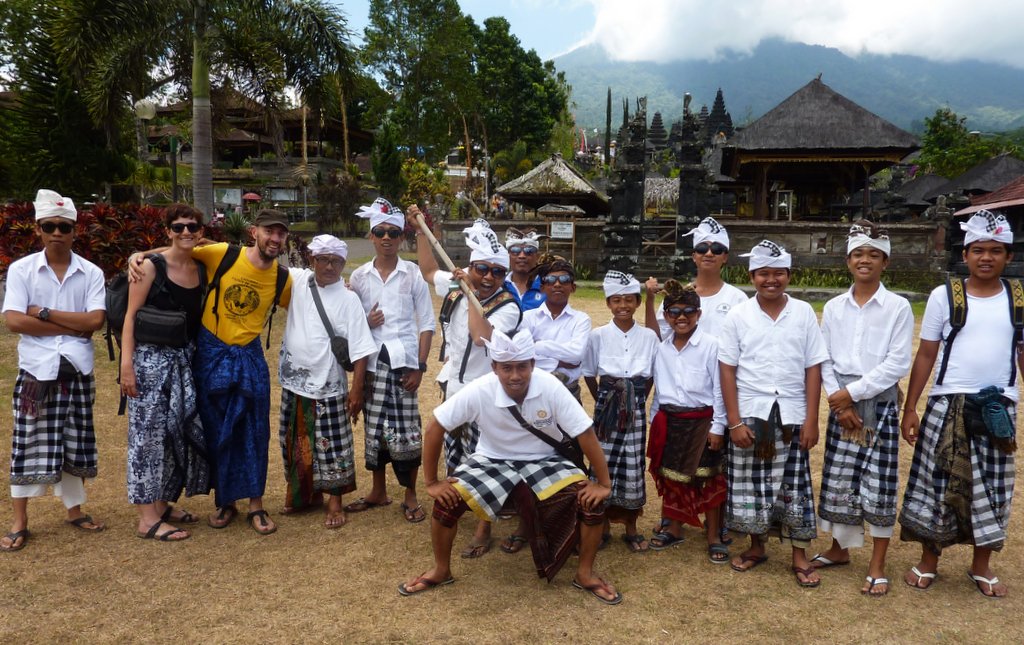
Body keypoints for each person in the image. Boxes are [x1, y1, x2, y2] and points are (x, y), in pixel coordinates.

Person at [397, 330, 621, 605]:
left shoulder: (549, 386)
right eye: (507, 368)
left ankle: (585, 574)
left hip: (544, 460)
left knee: (591, 502)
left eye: (522, 367)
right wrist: (432, 483)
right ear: (494, 368)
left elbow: (585, 433)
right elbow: (435, 427)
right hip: (491, 460)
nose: (515, 375)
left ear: (533, 365)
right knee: (447, 501)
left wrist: (603, 483)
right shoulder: (480, 389)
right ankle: (441, 570)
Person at [131, 208, 293, 535]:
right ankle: (225, 502)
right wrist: (141, 255)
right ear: (254, 232)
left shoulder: (282, 278)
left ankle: (256, 505)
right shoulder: (223, 254)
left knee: (254, 430)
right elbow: (181, 247)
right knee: (215, 428)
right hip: (211, 353)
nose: (274, 239)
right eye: (269, 231)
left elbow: (308, 306)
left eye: (280, 233)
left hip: (249, 356)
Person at [899, 210, 1020, 598]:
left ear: (1009, 256)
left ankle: (981, 564)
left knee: (995, 487)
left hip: (999, 405)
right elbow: (926, 355)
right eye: (979, 250)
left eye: (996, 251)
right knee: (937, 483)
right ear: (964, 255)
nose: (987, 257)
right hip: (947, 401)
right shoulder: (945, 295)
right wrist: (911, 407)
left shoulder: (1019, 299)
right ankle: (929, 560)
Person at [409, 210, 522, 558]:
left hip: (486, 392)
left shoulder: (509, 307)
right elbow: (428, 270)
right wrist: (420, 232)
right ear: (472, 266)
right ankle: (456, 507)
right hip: (453, 387)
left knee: (483, 460)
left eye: (498, 272)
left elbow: (479, 337)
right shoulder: (458, 285)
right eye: (482, 269)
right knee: (455, 457)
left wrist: (471, 290)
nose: (489, 277)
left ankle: (483, 525)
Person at [718, 240, 828, 587]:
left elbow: (813, 366)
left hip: (792, 413)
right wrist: (733, 421)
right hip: (752, 412)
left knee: (793, 485)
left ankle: (799, 554)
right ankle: (756, 546)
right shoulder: (738, 315)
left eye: (778, 273)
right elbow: (727, 370)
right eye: (764, 273)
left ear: (789, 275)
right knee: (751, 485)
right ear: (752, 276)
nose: (771, 280)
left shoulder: (804, 312)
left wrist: (812, 418)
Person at [2, 189, 106, 552]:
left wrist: (43, 313)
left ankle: (74, 510)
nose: (57, 233)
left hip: (76, 369)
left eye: (64, 226)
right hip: (36, 370)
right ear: (39, 229)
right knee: (27, 439)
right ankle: (19, 521)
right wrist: (71, 326)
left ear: (75, 230)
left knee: (75, 438)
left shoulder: (90, 272)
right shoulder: (22, 270)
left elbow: (94, 320)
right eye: (50, 226)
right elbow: (14, 321)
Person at [814, 221, 913, 596]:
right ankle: (839, 550)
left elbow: (897, 362)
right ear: (847, 261)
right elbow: (823, 358)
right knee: (840, 480)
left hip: (879, 404)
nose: (865, 260)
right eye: (858, 254)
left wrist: (851, 393)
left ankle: (877, 563)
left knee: (879, 482)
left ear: (885, 261)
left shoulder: (898, 307)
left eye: (873, 254)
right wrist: (840, 402)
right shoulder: (835, 306)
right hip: (843, 404)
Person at [121, 204, 211, 542]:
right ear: (168, 230)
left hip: (183, 361)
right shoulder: (149, 268)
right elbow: (130, 317)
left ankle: (160, 503)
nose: (185, 232)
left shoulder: (201, 266)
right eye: (178, 227)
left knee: (175, 434)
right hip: (148, 361)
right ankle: (146, 518)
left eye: (192, 227)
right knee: (146, 438)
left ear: (201, 232)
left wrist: (140, 251)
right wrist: (126, 367)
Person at [277, 235, 376, 529]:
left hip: (330, 386)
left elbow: (361, 351)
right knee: (295, 442)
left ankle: (335, 502)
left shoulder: (348, 300)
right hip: (294, 384)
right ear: (312, 259)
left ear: (343, 264)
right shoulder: (297, 280)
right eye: (324, 259)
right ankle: (304, 496)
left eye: (336, 261)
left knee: (333, 448)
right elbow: (256, 262)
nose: (330, 266)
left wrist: (356, 392)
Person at [348, 199, 436, 523]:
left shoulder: (412, 274)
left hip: (403, 366)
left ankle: (410, 495)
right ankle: (378, 490)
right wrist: (366, 323)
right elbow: (350, 323)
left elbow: (426, 323)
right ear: (371, 236)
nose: (387, 238)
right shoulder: (358, 277)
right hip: (371, 365)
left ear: (401, 238)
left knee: (407, 431)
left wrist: (421, 366)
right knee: (375, 430)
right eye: (380, 232)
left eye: (393, 233)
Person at [501, 257, 591, 554]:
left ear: (573, 286)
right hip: (535, 395)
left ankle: (570, 523)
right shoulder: (529, 318)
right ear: (542, 286)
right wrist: (552, 353)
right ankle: (527, 524)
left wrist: (540, 347)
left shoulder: (582, 320)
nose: (557, 285)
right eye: (550, 280)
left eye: (564, 280)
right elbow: (525, 358)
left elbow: (577, 356)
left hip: (567, 394)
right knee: (529, 456)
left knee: (570, 458)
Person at [643, 279, 729, 563]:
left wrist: (718, 427)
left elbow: (719, 389)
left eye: (688, 311)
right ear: (666, 316)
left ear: (699, 314)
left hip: (703, 420)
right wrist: (655, 421)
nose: (681, 317)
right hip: (670, 420)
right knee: (672, 478)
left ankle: (714, 535)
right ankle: (675, 528)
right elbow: (659, 389)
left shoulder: (711, 345)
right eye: (674, 312)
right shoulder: (662, 348)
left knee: (709, 477)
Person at [582, 271, 659, 553]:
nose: (622, 306)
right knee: (602, 461)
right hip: (606, 405)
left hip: (636, 406)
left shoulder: (649, 337)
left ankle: (631, 526)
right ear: (608, 304)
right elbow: (590, 373)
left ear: (638, 303)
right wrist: (603, 400)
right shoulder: (598, 336)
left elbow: (650, 375)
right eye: (616, 300)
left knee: (632, 462)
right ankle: (600, 524)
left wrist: (635, 399)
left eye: (628, 300)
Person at [649, 216, 747, 340]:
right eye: (702, 248)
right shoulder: (676, 296)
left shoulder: (738, 299)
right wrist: (649, 301)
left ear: (725, 257)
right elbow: (658, 338)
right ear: (694, 256)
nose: (709, 254)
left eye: (716, 249)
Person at [505, 227, 547, 310]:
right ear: (508, 256)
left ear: (537, 256)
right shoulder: (498, 286)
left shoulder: (548, 286)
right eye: (515, 251)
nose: (522, 256)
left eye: (529, 251)